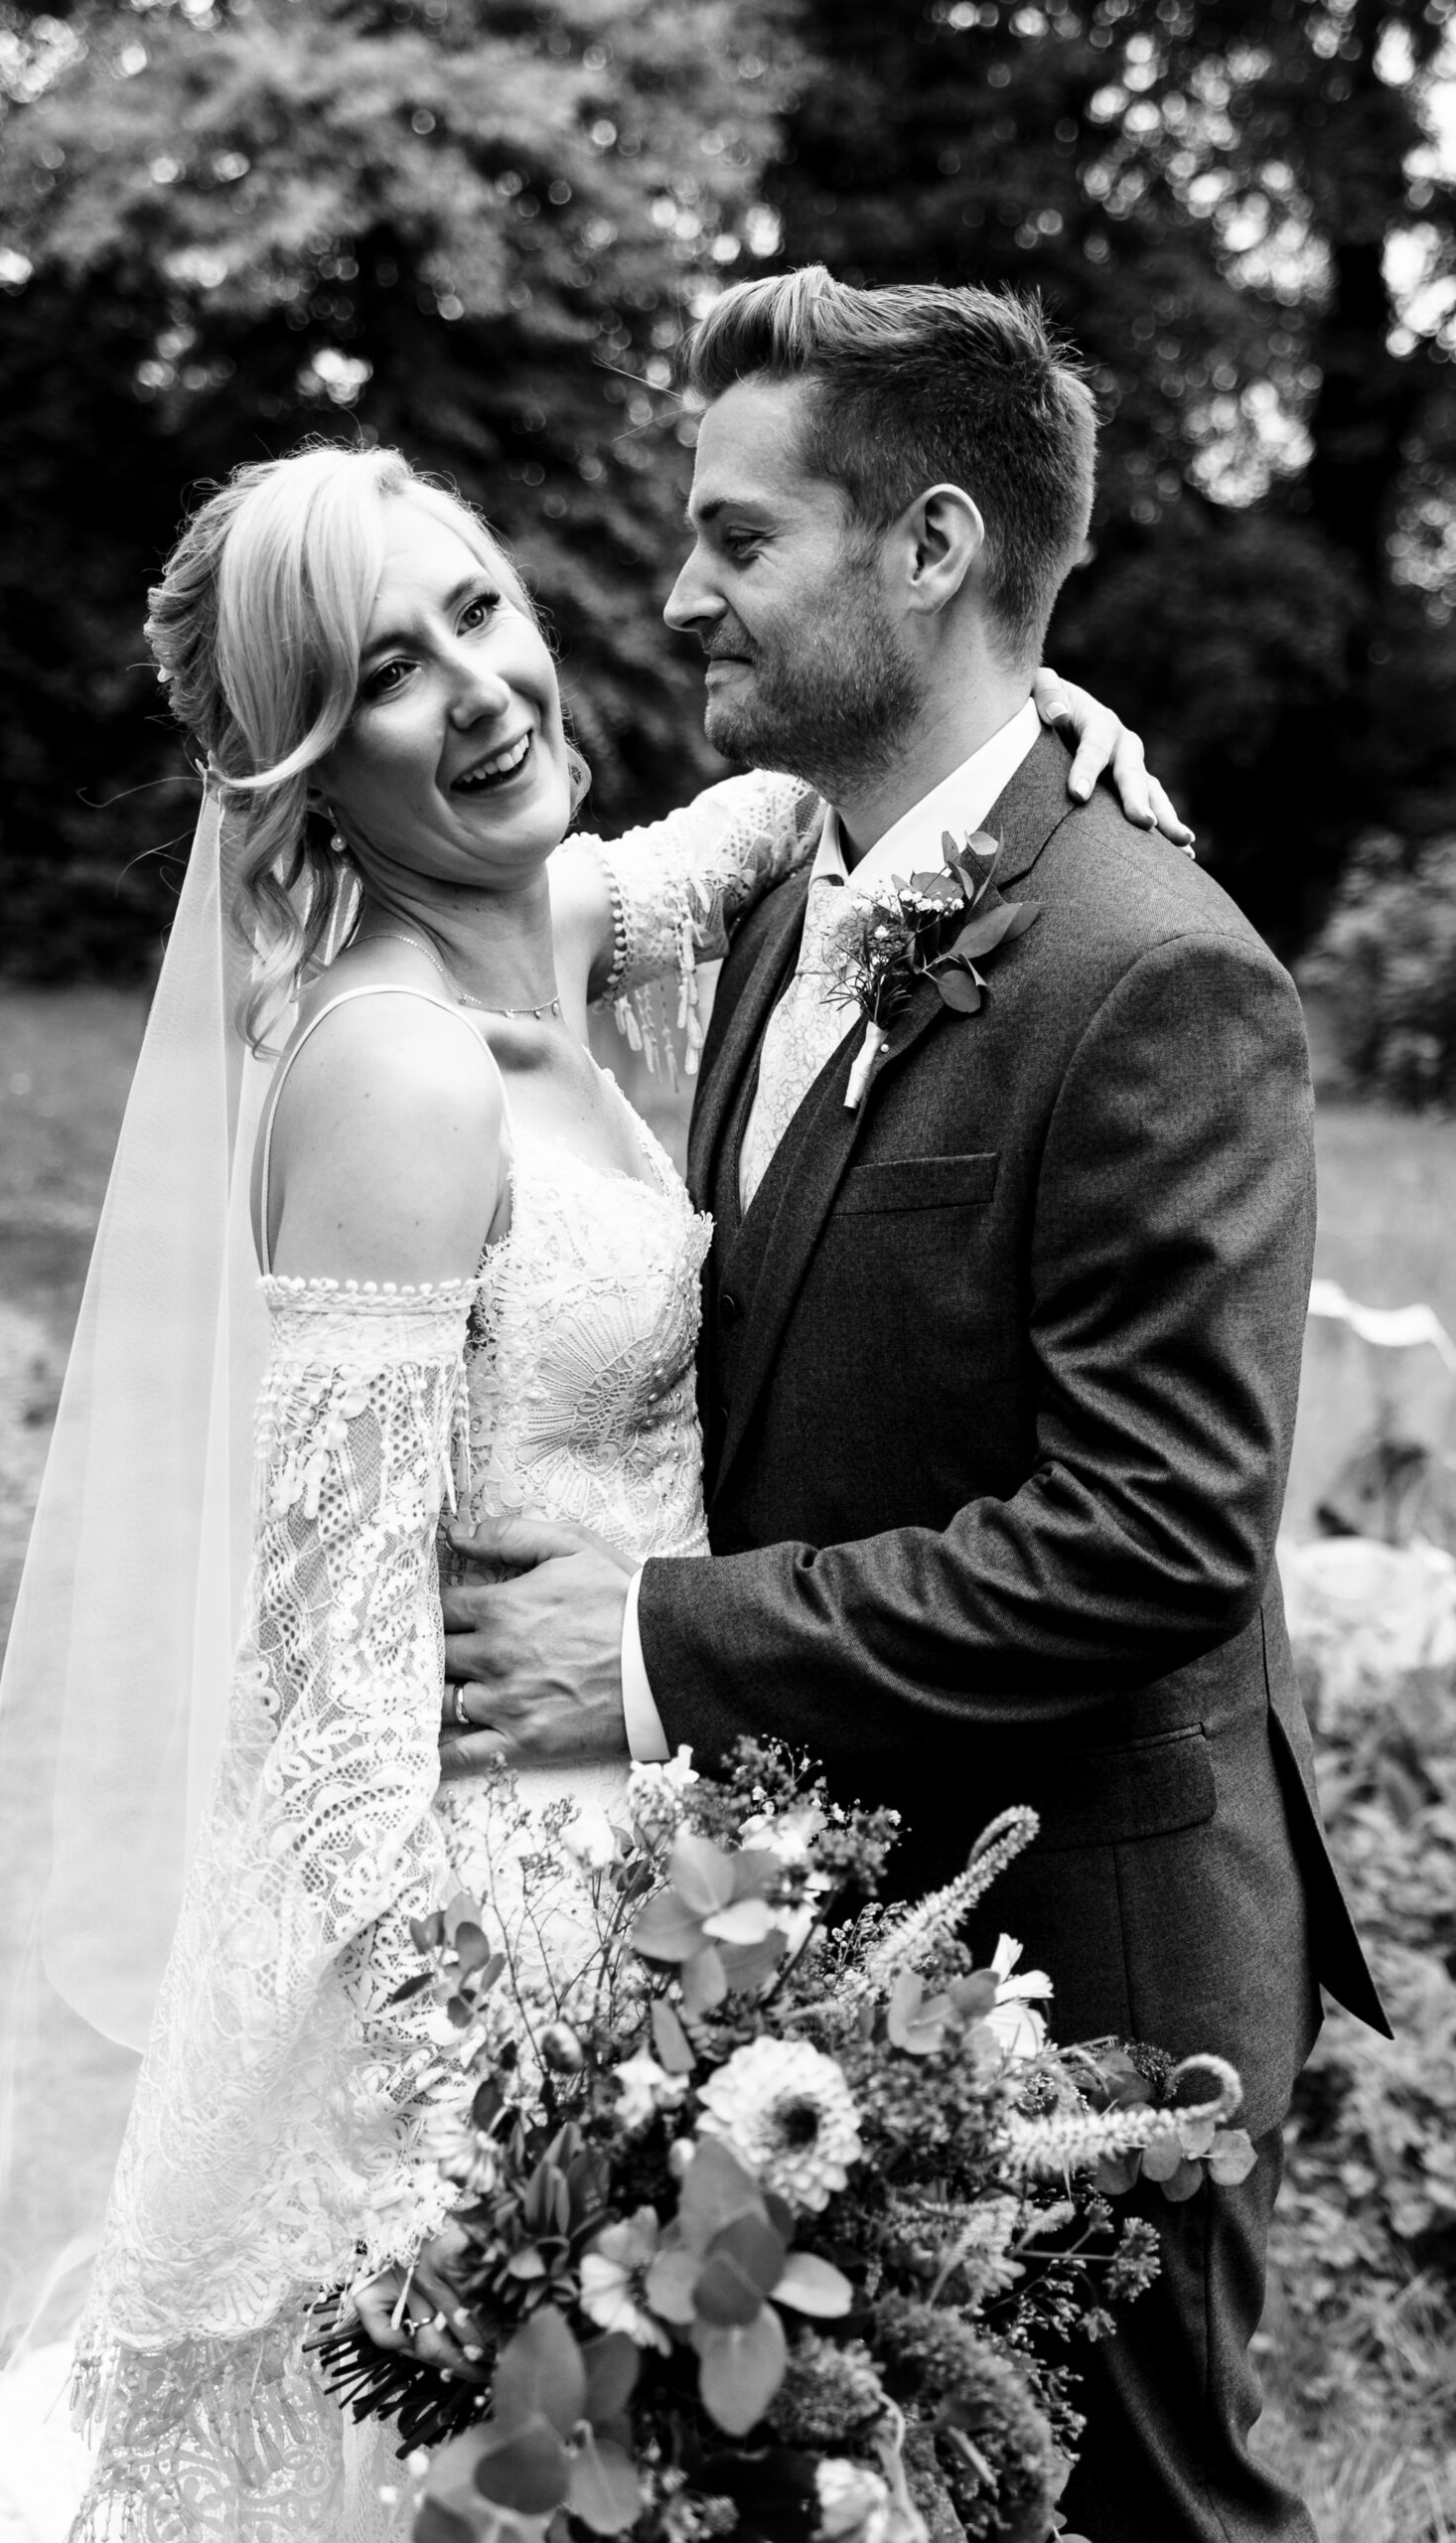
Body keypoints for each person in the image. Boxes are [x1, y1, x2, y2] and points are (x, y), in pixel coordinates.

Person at [0, 434, 1176, 2542]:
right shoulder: (387, 1065)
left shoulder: (537, 922)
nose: (474, 686)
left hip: (653, 1823)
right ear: (289, 765)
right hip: (482, 1941)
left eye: (475, 608)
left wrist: (1022, 724)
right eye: (383, 669)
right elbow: (329, 1680)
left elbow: (730, 835)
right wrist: (498, 2119)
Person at [435, 271, 1390, 2543]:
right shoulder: (788, 877)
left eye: (738, 539)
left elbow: (1152, 1539)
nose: (674, 593)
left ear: (934, 547)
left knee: (1143, 2509)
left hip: (1086, 1961)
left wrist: (658, 1637)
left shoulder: (1152, 972)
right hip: (818, 1939)